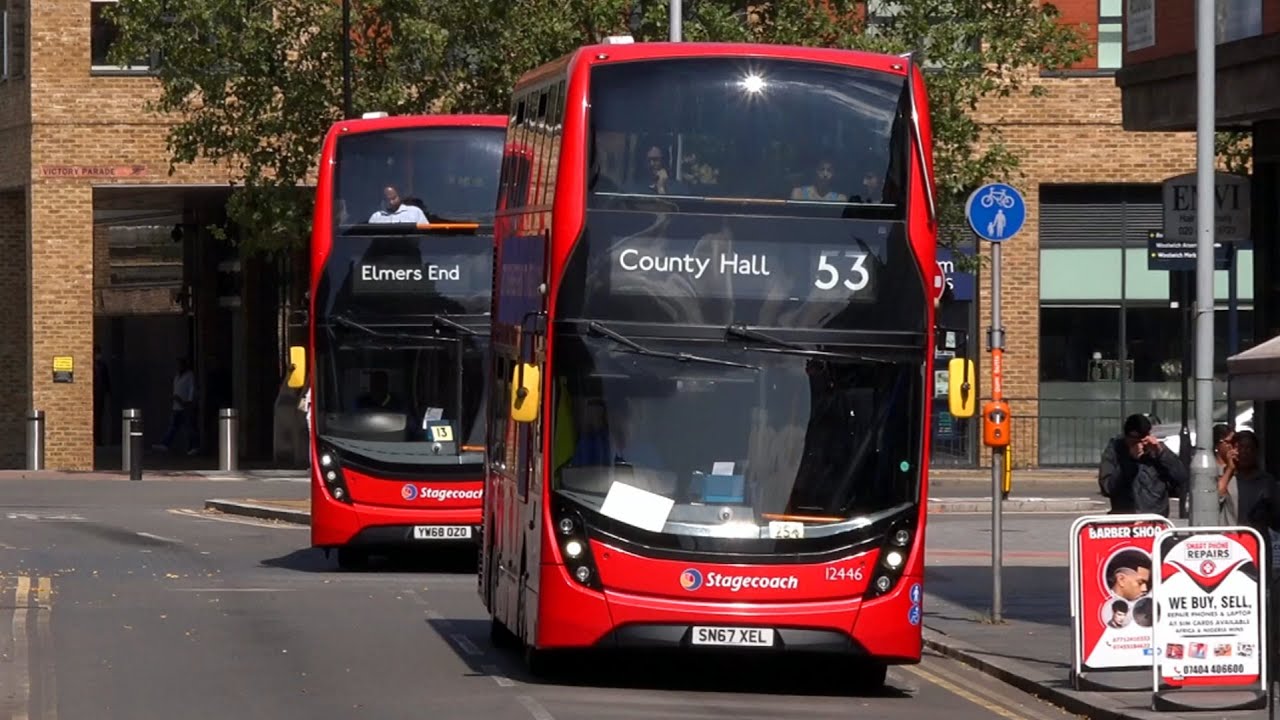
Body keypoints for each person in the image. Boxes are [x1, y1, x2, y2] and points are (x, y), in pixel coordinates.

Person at [1098, 413, 1188, 517]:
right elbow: (1107, 487)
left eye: (1142, 440)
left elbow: (1182, 478)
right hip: (1125, 518)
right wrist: (1130, 461)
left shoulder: (1156, 451)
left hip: (1154, 519)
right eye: (1134, 440)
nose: (1140, 444)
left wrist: (1161, 453)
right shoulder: (1115, 450)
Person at [154, 357, 199, 455]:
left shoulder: (189, 375)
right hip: (176, 405)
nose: (178, 367)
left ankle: (194, 446)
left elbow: (192, 388)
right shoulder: (177, 376)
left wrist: (189, 401)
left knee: (189, 427)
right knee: (173, 426)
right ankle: (165, 444)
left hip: (185, 404)